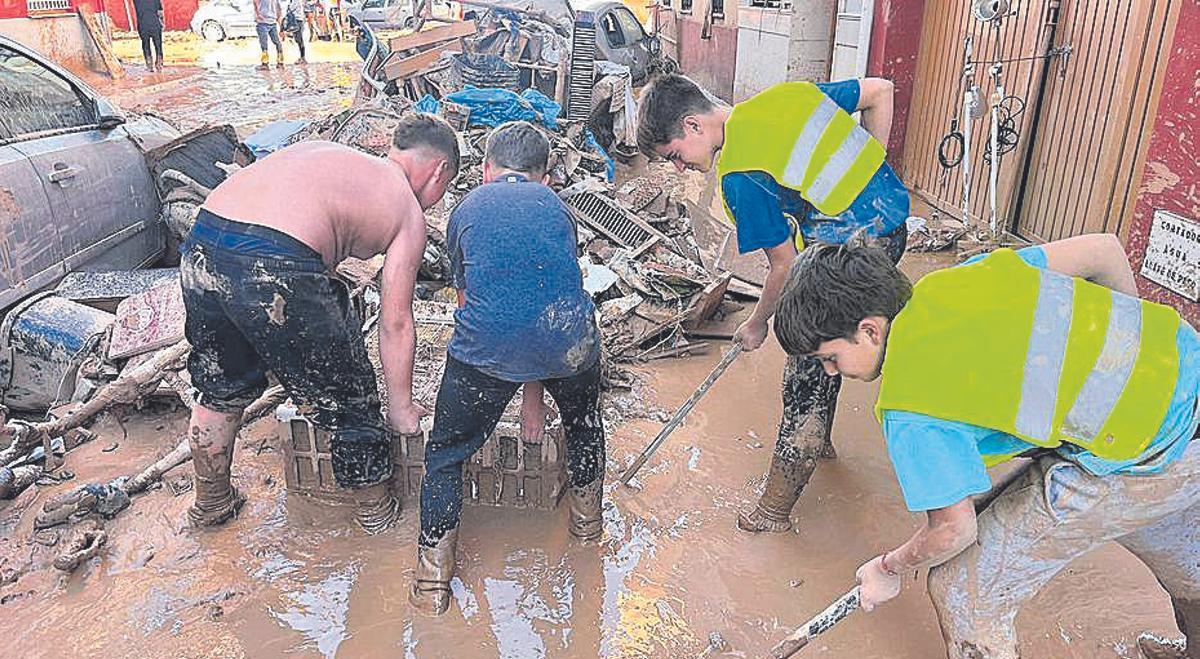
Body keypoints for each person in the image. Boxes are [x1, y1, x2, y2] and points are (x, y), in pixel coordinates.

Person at [773, 234, 1200, 659]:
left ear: (868, 330)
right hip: (1185, 375)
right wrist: (1128, 374)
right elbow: (1106, 251)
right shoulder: (961, 278)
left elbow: (954, 530)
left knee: (962, 588)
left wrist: (889, 569)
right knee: (1184, 551)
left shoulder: (910, 407)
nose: (828, 372)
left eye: (830, 359)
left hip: (1145, 454)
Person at [636, 74, 910, 536]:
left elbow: (782, 267)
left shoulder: (740, 175)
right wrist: (870, 174)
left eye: (676, 156)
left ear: (694, 126)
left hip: (846, 259)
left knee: (806, 362)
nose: (681, 169)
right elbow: (882, 89)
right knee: (838, 350)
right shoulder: (786, 96)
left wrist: (759, 324)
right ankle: (822, 443)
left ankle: (773, 511)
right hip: (892, 225)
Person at [181, 114, 460, 535]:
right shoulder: (407, 210)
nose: (436, 200)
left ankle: (212, 503)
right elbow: (396, 322)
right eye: (444, 188)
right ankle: (376, 517)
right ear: (439, 171)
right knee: (349, 396)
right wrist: (400, 409)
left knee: (220, 388)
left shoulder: (339, 159)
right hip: (275, 257)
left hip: (204, 240)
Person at [410, 121, 605, 616]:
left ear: (485, 169)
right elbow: (545, 301)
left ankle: (432, 584)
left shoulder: (467, 208)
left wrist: (520, 388)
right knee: (584, 428)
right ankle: (589, 537)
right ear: (545, 177)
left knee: (447, 456)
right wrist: (533, 397)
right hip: (571, 341)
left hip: (487, 349)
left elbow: (472, 298)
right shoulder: (559, 210)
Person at [132, 0, 164, 71]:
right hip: (155, 24)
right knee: (158, 45)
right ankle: (159, 64)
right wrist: (162, 22)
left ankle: (149, 64)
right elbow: (160, 12)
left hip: (143, 25)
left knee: (145, 44)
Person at [255, 0, 286, 68]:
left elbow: (279, 13)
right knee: (265, 44)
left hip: (271, 23)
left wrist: (282, 29)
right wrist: (258, 14)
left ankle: (279, 62)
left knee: (276, 43)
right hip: (263, 23)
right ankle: (266, 63)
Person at [284, 0, 306, 64]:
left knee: (299, 40)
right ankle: (302, 57)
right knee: (298, 39)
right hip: (297, 20)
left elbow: (290, 9)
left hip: (297, 20)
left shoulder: (295, 1)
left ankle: (302, 58)